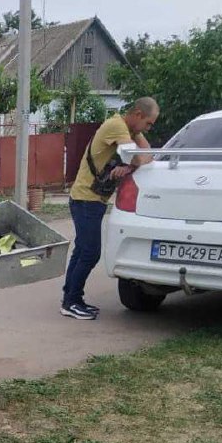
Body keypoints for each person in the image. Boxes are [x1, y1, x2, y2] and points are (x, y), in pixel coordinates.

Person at [62, 97, 159, 320]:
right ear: (137, 114)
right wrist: (130, 165)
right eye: (148, 123)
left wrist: (130, 163)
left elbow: (149, 154)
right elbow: (137, 157)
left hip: (89, 199)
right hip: (86, 199)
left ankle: (70, 298)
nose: (149, 128)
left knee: (82, 251)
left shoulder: (129, 130)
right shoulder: (117, 126)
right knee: (90, 253)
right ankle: (72, 301)